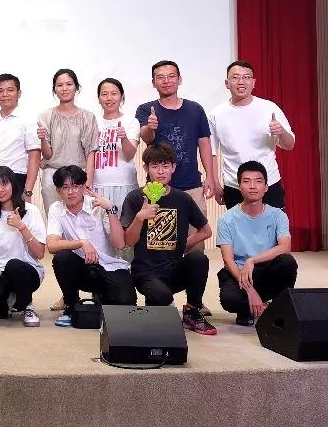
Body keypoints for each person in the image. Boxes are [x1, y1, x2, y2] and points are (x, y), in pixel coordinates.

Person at [121, 143, 216, 336]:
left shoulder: (183, 199)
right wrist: (140, 217)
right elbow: (128, 241)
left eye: (165, 166)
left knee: (198, 259)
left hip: (173, 268)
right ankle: (156, 304)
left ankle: (192, 311)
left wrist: (179, 244)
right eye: (155, 166)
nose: (160, 171)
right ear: (146, 168)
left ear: (173, 167)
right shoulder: (135, 198)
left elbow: (206, 231)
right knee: (162, 299)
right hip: (146, 272)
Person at [46, 165, 136, 328]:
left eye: (76, 186)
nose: (71, 192)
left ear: (84, 187)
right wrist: (82, 242)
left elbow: (120, 244)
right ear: (58, 191)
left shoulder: (99, 206)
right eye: (65, 187)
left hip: (108, 266)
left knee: (125, 305)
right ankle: (71, 306)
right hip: (80, 269)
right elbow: (52, 245)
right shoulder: (56, 209)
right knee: (62, 258)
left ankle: (102, 296)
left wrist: (111, 210)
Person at [136, 60, 216, 228]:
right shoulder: (145, 109)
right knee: (161, 237)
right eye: (160, 77)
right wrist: (150, 127)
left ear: (179, 79)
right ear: (153, 83)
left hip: (192, 184)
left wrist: (210, 176)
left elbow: (204, 143)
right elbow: (147, 138)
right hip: (158, 187)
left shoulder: (195, 109)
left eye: (171, 76)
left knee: (197, 236)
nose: (166, 81)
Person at [216, 161, 297, 326]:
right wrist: (250, 290)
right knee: (229, 299)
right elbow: (228, 260)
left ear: (266, 187)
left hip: (267, 270)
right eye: (246, 181)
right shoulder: (226, 219)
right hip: (240, 274)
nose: (252, 186)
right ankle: (249, 308)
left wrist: (252, 260)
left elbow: (285, 247)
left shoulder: (278, 215)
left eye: (258, 181)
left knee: (287, 263)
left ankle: (278, 308)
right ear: (239, 187)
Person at [208, 61, 295, 210]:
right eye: (235, 77)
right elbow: (212, 152)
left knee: (274, 225)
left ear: (253, 82)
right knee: (237, 226)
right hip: (234, 185)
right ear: (227, 83)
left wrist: (281, 132)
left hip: (268, 183)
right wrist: (216, 183)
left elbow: (289, 145)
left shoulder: (269, 108)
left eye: (246, 77)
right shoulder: (216, 114)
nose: (241, 82)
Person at [0, 166, 46, 326]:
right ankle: (7, 306)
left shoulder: (31, 211)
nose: (0, 190)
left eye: (5, 184)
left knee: (14, 266)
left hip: (28, 270)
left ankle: (27, 306)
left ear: (13, 185)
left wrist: (21, 226)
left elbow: (40, 253)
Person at [37, 69, 99, 215]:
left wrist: (87, 182)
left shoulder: (88, 117)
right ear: (54, 89)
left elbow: (90, 151)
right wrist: (42, 139)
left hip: (78, 176)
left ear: (76, 87)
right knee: (54, 217)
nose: (64, 89)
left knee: (81, 219)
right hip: (52, 176)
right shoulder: (45, 116)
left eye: (69, 84)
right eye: (59, 85)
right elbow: (48, 154)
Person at [0, 74, 41, 202]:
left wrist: (28, 191)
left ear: (19, 93)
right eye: (0, 91)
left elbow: (35, 157)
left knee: (14, 215)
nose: (5, 94)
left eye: (10, 90)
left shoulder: (29, 119)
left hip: (15, 178)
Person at [92, 78, 140, 216]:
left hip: (124, 184)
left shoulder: (131, 121)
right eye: (104, 94)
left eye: (114, 93)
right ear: (99, 98)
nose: (109, 98)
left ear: (122, 96)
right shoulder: (93, 122)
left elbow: (129, 155)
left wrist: (124, 138)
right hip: (97, 186)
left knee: (124, 226)